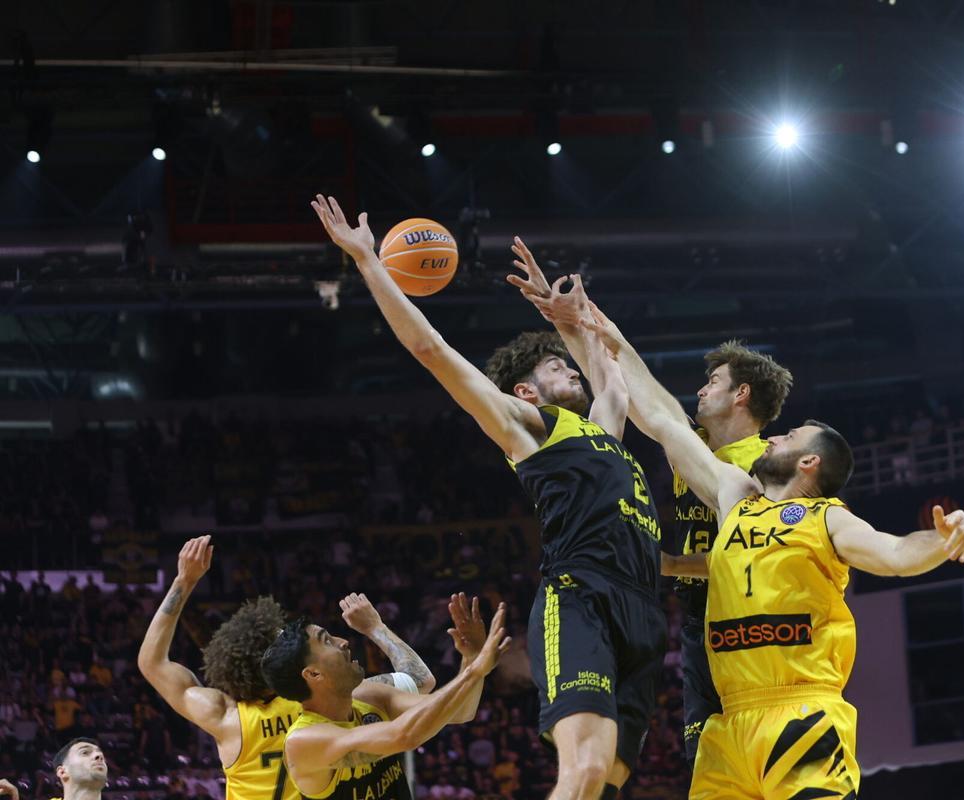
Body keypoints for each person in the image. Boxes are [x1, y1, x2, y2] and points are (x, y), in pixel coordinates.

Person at [547, 290, 964, 798]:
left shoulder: (828, 517)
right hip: (729, 724)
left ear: (809, 463)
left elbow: (895, 554)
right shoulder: (734, 495)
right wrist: (600, 328)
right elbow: (661, 420)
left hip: (802, 709)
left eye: (789, 437)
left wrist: (943, 539)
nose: (775, 438)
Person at [312, 195, 667, 800]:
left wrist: (566, 315)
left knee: (607, 782)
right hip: (582, 596)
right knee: (583, 771)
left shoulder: (601, 434)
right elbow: (432, 351)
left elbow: (613, 379)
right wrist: (369, 261)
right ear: (525, 390)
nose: (571, 372)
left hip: (641, 609)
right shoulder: (529, 427)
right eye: (556, 367)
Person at [508, 241, 794, 773]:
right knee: (711, 770)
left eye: (713, 382)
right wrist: (567, 315)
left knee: (766, 761)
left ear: (741, 395)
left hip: (754, 621)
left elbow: (757, 555)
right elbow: (627, 386)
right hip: (699, 625)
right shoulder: (693, 447)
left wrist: (666, 562)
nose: (700, 390)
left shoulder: (768, 463)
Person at [138, 536, 435, 800]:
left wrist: (184, 581)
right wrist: (375, 628)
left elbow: (152, 663)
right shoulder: (324, 696)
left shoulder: (228, 718)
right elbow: (421, 680)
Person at [260, 594, 511, 800]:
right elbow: (403, 736)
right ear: (313, 673)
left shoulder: (369, 694)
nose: (343, 641)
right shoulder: (304, 740)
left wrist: (472, 658)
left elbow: (460, 711)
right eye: (327, 641)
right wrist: (474, 672)